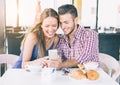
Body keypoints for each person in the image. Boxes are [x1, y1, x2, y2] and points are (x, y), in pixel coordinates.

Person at [48, 4, 99, 70]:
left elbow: (83, 58)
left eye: (66, 22)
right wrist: (55, 62)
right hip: (69, 76)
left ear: (75, 21)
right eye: (61, 23)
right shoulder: (62, 39)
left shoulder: (90, 35)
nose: (63, 27)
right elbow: (58, 57)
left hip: (91, 76)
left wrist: (61, 65)